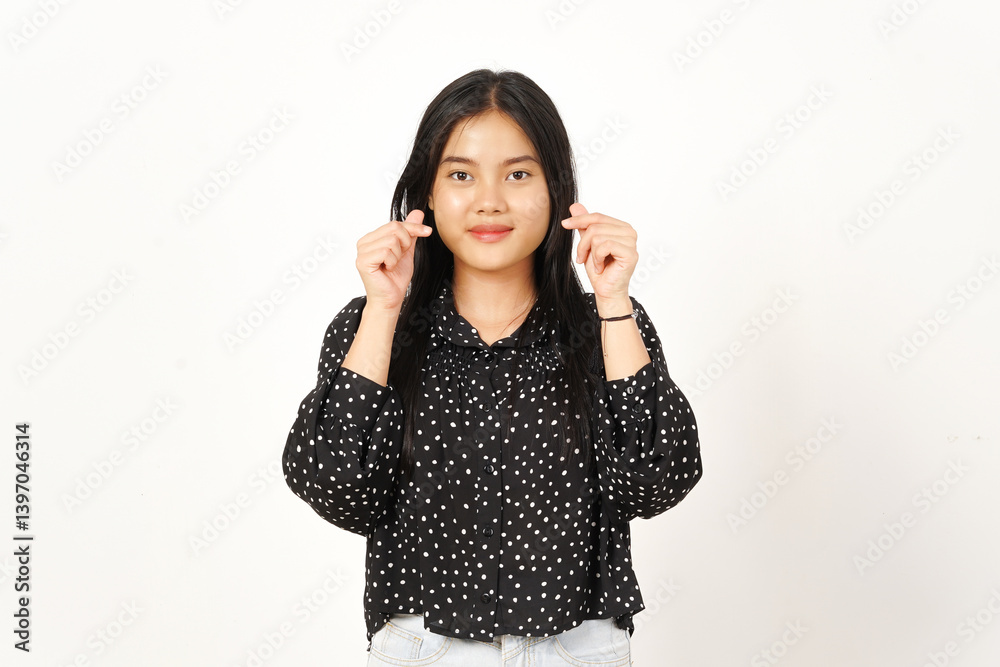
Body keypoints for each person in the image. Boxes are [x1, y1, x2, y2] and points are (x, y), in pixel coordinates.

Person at [282, 68, 702, 666]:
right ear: (428, 193)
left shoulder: (603, 328)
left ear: (556, 188)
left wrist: (613, 299)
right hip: (424, 647)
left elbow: (655, 483)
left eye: (518, 174)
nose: (490, 201)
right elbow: (339, 492)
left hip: (576, 646)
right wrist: (383, 308)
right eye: (461, 175)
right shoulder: (373, 325)